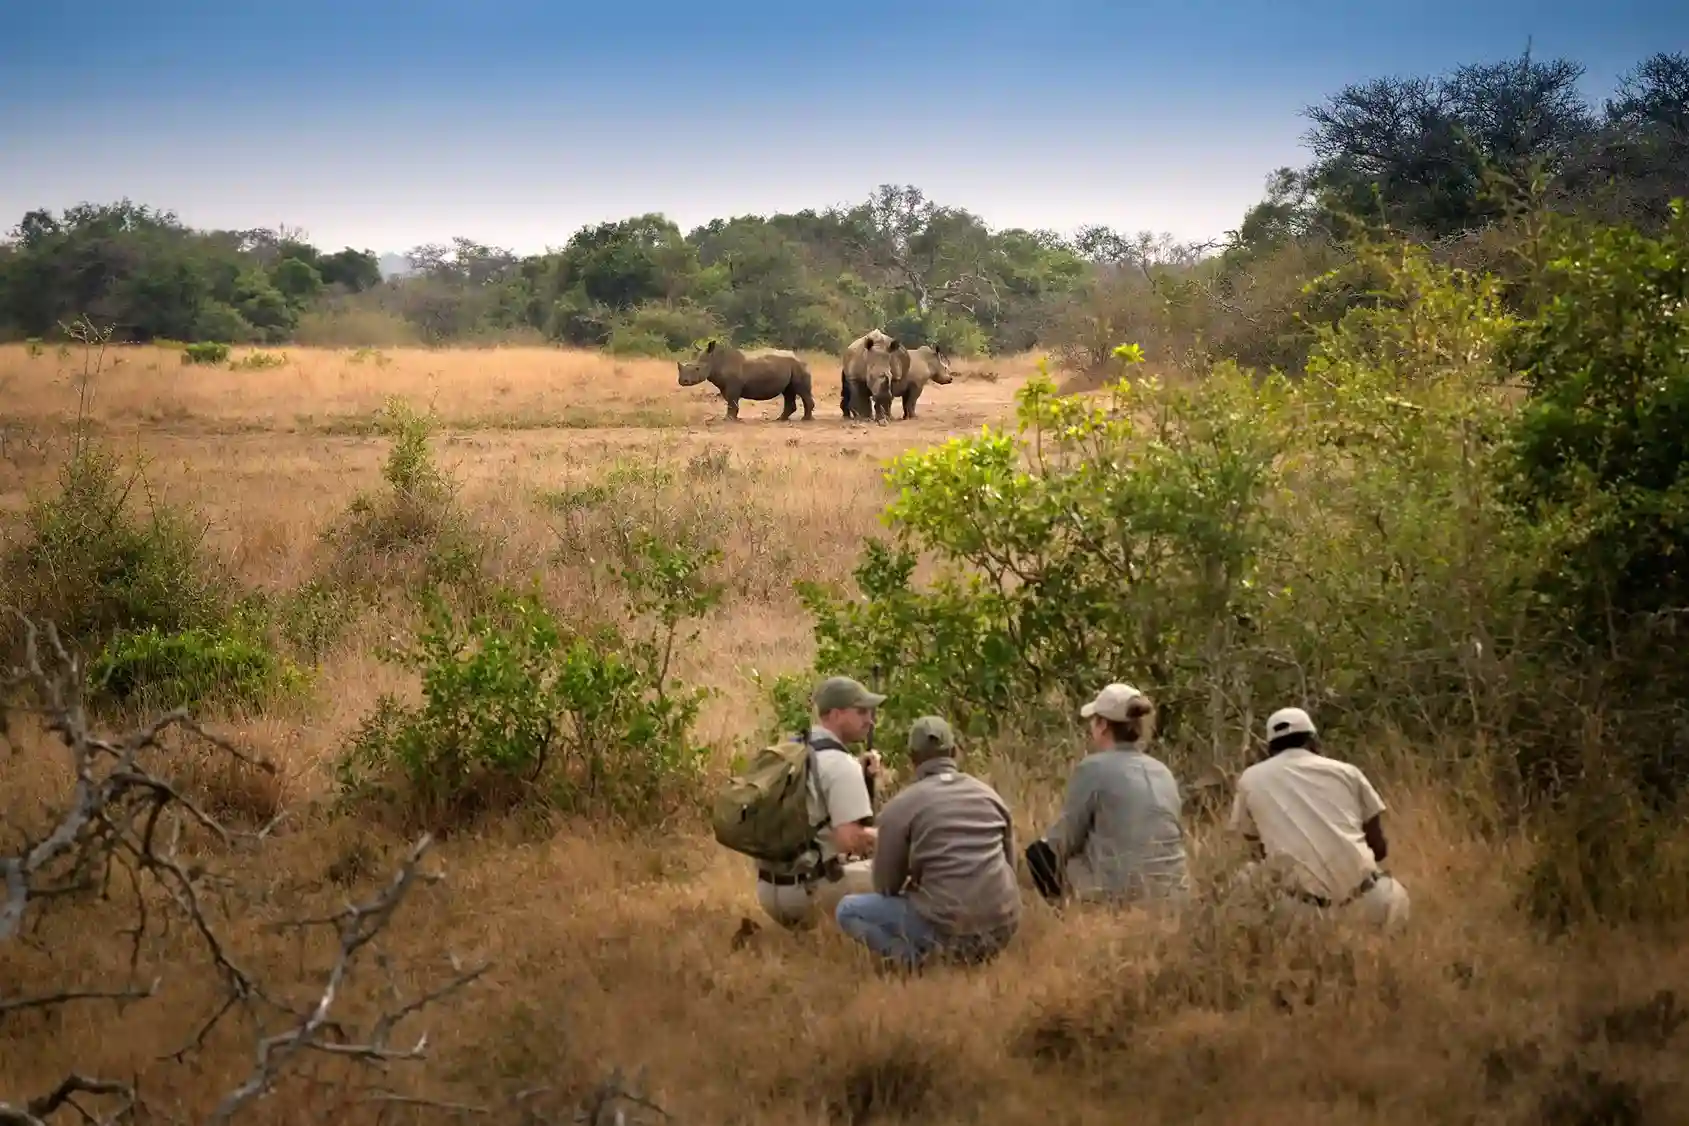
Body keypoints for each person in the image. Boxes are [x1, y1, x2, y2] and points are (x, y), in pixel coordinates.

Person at [835, 716, 1020, 970]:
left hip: (949, 929)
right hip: (1002, 927)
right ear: (955, 752)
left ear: (912, 759)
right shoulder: (990, 796)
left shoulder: (900, 807)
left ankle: (916, 962)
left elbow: (886, 887)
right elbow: (1011, 866)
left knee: (848, 909)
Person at [1227, 706, 1410, 931]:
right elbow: (1379, 849)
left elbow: (1256, 852)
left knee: (1244, 877)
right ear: (1314, 741)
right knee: (1395, 893)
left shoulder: (1250, 779)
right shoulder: (1347, 772)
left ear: (1270, 749)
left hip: (1299, 910)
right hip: (1365, 902)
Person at [1025, 682, 1190, 906]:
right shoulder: (1162, 770)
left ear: (1102, 725)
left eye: (1094, 720)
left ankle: (1072, 922)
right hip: (1175, 895)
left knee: (1040, 854)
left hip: (1119, 894)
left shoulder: (1093, 768)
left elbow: (1063, 840)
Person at [754, 675, 885, 930]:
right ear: (835, 715)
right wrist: (902, 840)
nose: (869, 720)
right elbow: (852, 840)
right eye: (861, 712)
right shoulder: (840, 765)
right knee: (911, 874)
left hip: (769, 893)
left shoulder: (791, 750)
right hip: (812, 893)